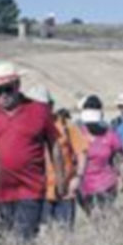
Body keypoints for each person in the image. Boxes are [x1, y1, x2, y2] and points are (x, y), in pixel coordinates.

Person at [0, 62, 61, 242]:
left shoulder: (39, 111)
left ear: (18, 86)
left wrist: (60, 179)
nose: (3, 95)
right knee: (4, 242)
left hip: (30, 190)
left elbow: (54, 145)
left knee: (24, 241)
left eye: (7, 89)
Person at [27, 86, 87, 230]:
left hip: (65, 192)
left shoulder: (66, 126)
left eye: (41, 106)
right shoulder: (27, 128)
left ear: (51, 105)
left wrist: (78, 177)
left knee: (65, 234)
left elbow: (81, 152)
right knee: (43, 236)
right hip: (38, 194)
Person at [77, 96, 123, 213]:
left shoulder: (110, 135)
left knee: (104, 216)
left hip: (106, 184)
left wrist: (122, 176)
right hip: (84, 186)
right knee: (92, 216)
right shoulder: (78, 134)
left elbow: (120, 156)